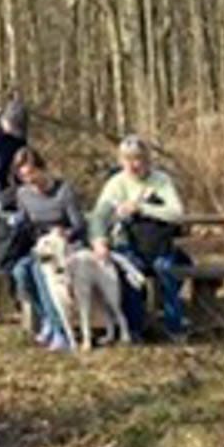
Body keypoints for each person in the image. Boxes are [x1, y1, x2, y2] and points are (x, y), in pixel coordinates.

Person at [89, 135, 186, 342]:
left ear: (147, 160)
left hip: (159, 245)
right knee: (129, 273)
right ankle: (135, 329)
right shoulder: (116, 183)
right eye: (127, 159)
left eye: (137, 159)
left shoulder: (161, 181)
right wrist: (99, 240)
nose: (132, 165)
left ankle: (174, 328)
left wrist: (142, 208)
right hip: (129, 245)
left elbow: (177, 213)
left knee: (168, 270)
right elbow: (99, 216)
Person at [3, 146, 87, 351]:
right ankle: (47, 317)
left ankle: (61, 331)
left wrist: (65, 233)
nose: (30, 180)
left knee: (41, 271)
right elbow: (25, 220)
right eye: (24, 177)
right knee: (20, 271)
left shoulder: (63, 191)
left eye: (32, 174)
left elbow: (80, 225)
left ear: (42, 169)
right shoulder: (23, 194)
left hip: (64, 248)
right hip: (39, 247)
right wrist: (12, 222)